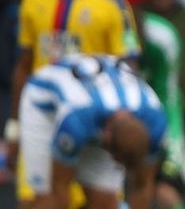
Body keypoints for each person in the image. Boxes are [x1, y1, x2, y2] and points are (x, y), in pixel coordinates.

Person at [9, 0, 138, 208]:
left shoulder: (112, 5)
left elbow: (128, 70)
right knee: (35, 202)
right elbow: (23, 67)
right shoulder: (31, 3)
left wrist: (119, 124)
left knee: (100, 202)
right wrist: (15, 128)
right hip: (42, 122)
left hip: (93, 127)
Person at [17, 55, 165, 209]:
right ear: (107, 136)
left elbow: (142, 186)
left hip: (96, 110)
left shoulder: (156, 124)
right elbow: (59, 188)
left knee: (105, 203)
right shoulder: (77, 120)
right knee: (48, 199)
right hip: (44, 108)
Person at [138, 10, 185, 209]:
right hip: (107, 122)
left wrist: (172, 153)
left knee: (166, 191)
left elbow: (169, 98)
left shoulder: (162, 38)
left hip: (154, 122)